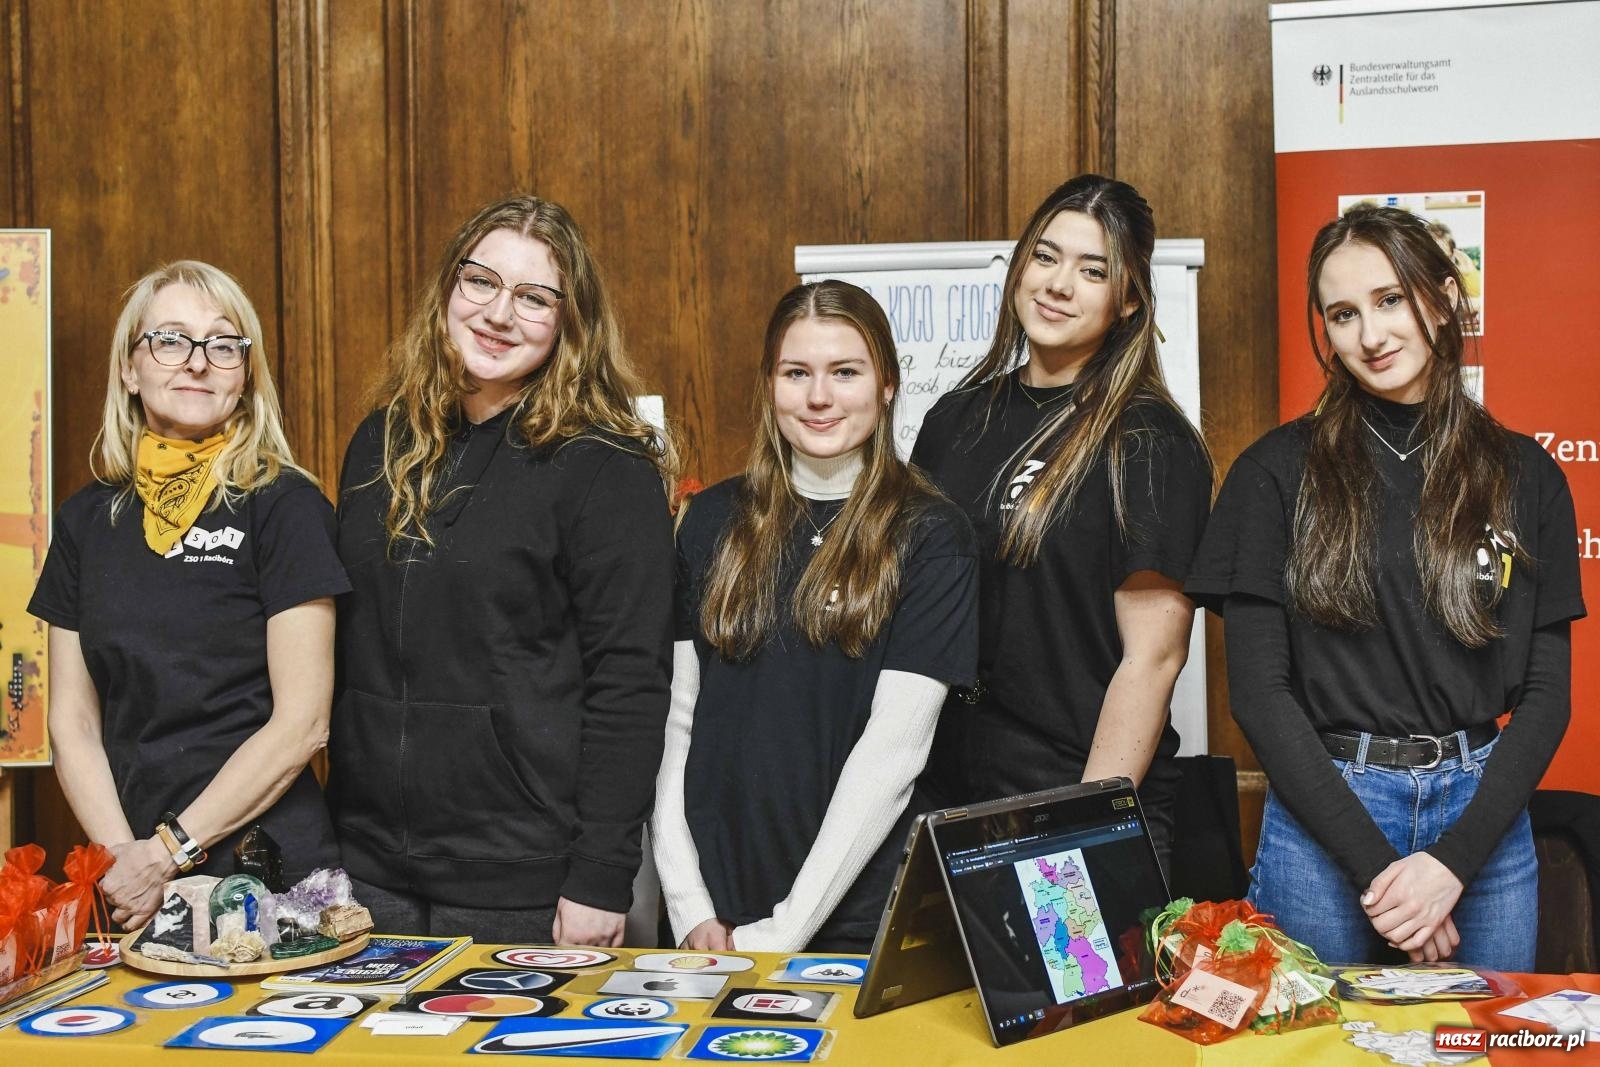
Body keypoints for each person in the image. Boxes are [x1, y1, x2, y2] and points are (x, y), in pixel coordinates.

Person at [1186, 203, 1584, 969]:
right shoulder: (1274, 474)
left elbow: (1546, 694)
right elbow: (1260, 697)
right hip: (1324, 814)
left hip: (1483, 817)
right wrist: (1385, 876)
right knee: (1317, 1053)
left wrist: (1452, 865)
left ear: (1440, 296)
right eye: (1342, 313)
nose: (1370, 334)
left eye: (1390, 299)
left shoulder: (1527, 475)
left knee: (1475, 1048)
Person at [331, 195, 675, 947]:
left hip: (524, 882)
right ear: (449, 290)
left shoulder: (606, 467)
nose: (498, 313)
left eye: (534, 297)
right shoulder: (379, 441)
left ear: (571, 321)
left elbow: (631, 682)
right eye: (481, 282)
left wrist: (599, 874)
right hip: (366, 873)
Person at [653, 281, 978, 953]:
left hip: (849, 919)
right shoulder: (709, 520)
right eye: (797, 373)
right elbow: (676, 722)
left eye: (845, 372)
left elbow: (894, 753)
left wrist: (785, 929)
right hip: (706, 915)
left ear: (886, 383)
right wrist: (688, 905)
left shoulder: (931, 535)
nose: (819, 396)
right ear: (770, 383)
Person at [29, 261, 348, 930]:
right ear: (129, 367)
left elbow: (302, 724)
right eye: (170, 339)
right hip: (129, 879)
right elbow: (73, 723)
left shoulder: (285, 507)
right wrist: (123, 860)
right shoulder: (86, 521)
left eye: (223, 344)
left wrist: (167, 852)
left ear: (245, 374)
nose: (197, 362)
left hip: (268, 876)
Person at [909, 174, 1210, 870]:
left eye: (1092, 269)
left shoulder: (1148, 441)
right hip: (946, 796)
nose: (1058, 284)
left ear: (1128, 299)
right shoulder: (954, 421)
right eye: (1045, 257)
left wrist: (1076, 832)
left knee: (1066, 980)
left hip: (1074, 798)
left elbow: (1153, 658)